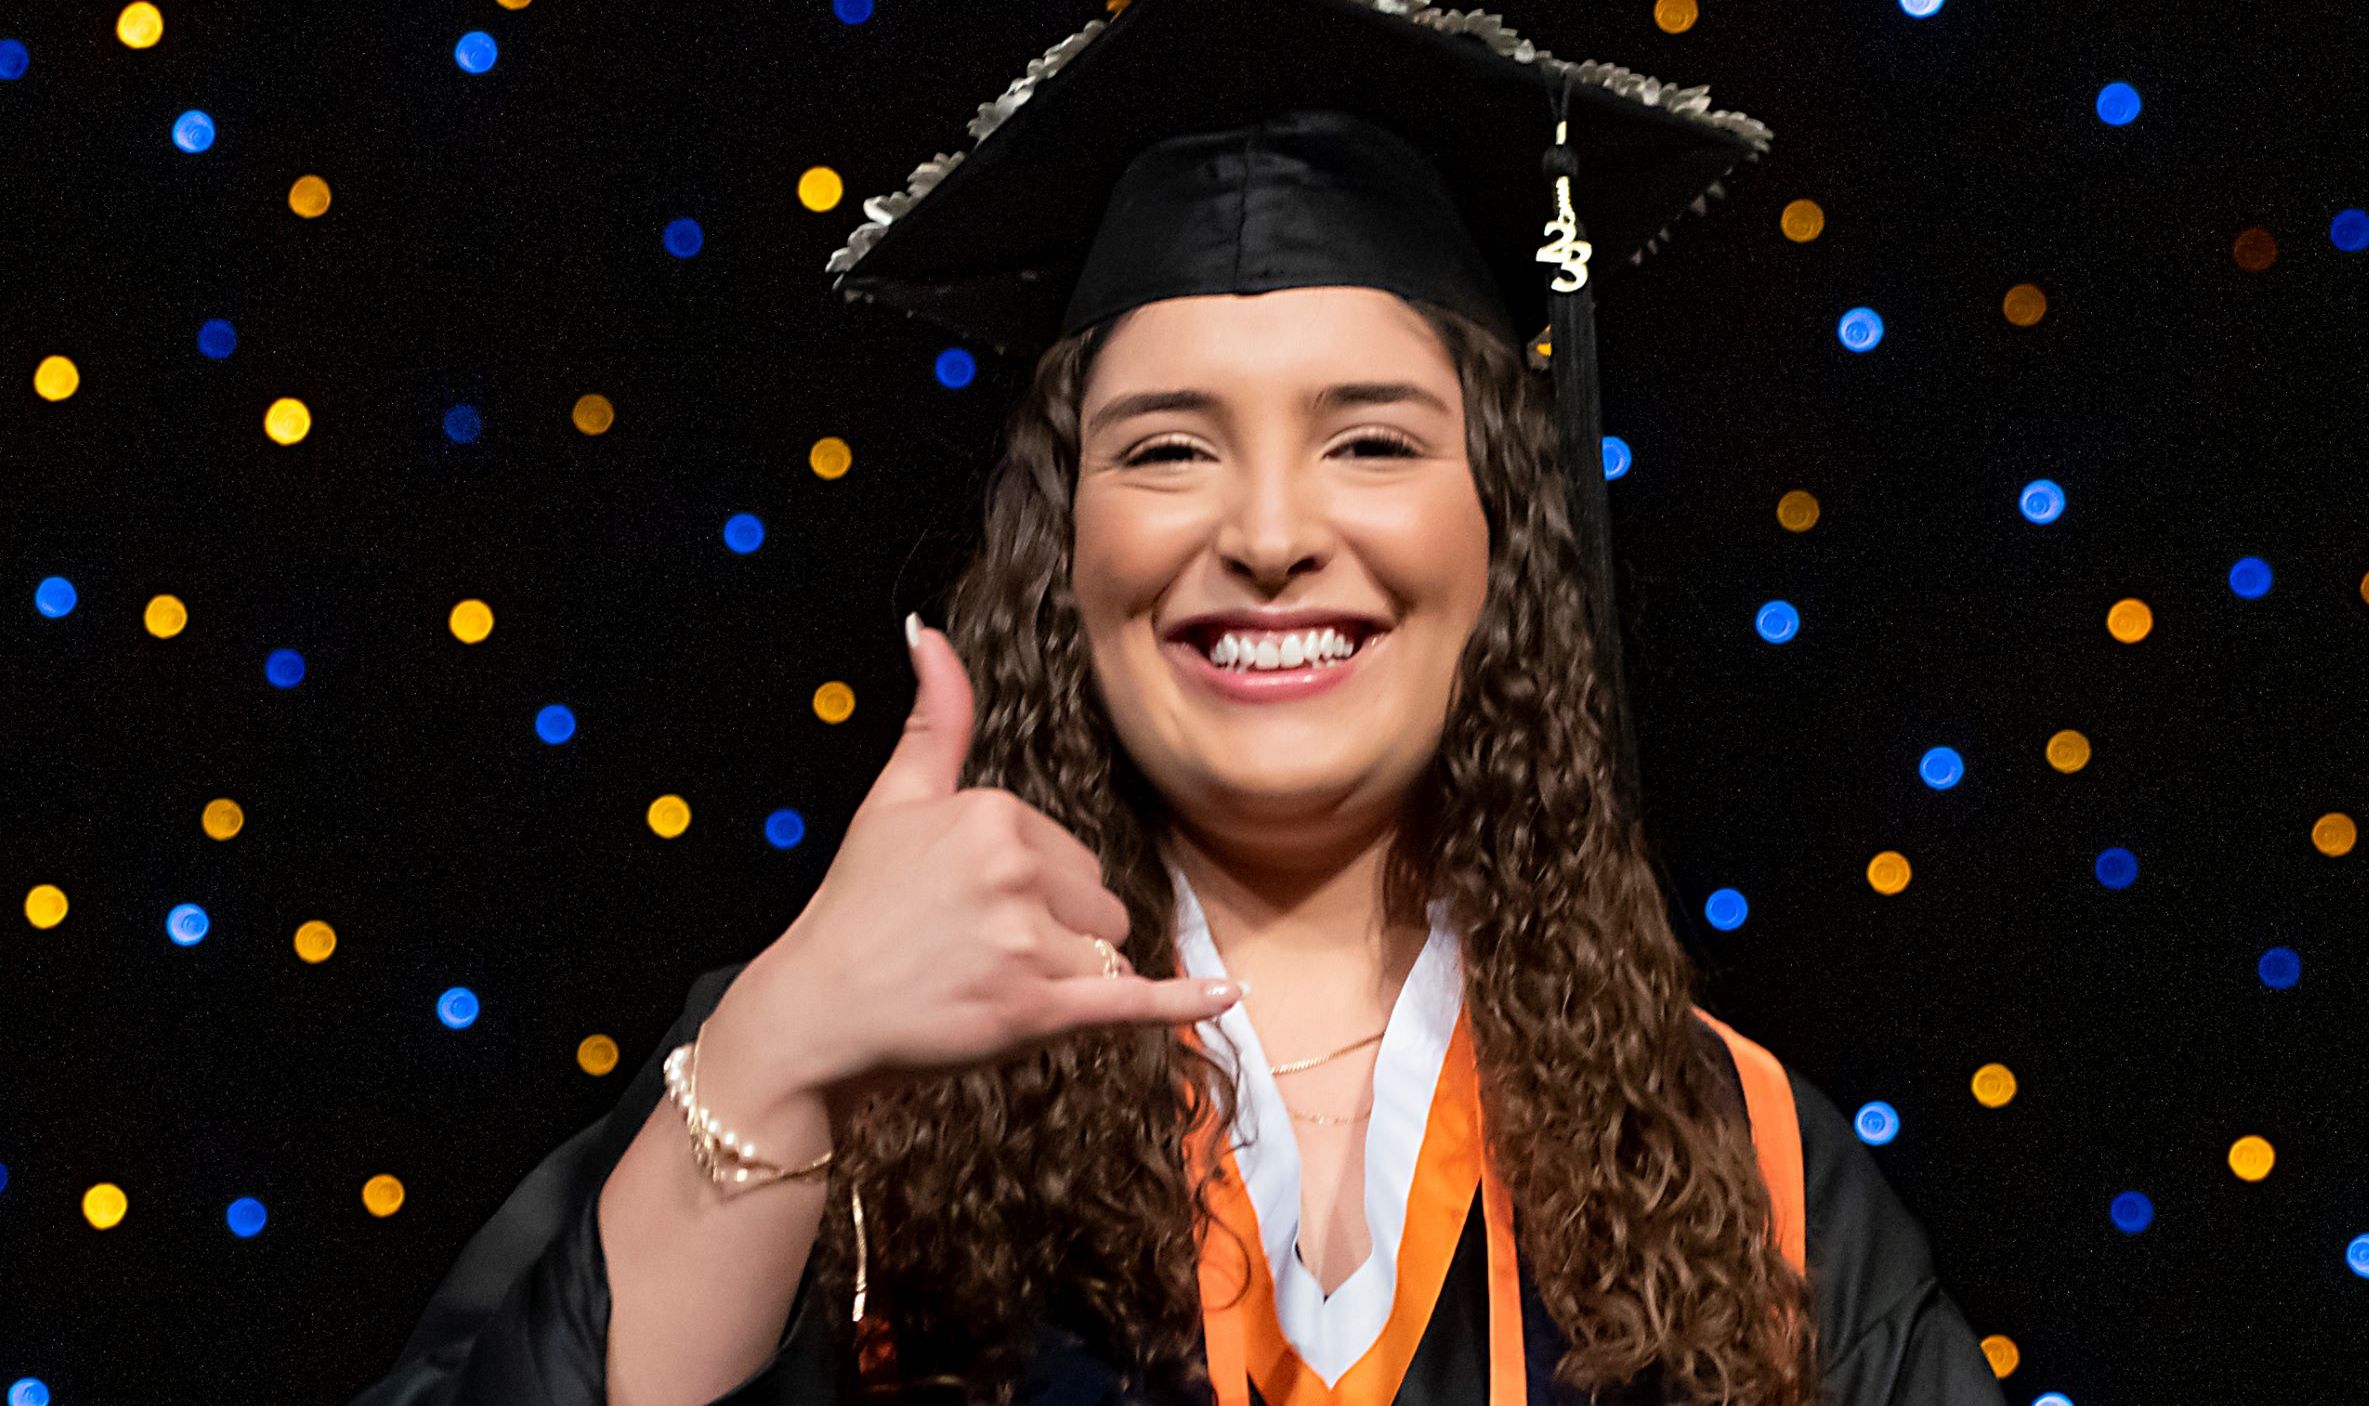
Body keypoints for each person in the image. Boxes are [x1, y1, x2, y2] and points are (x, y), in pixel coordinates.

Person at [350, 2, 2008, 1404]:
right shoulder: (846, 1059)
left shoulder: (1736, 1152)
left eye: (1372, 440)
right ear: (1060, 550)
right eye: (1164, 448)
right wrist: (779, 1056)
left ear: (1504, 532)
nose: (1272, 533)